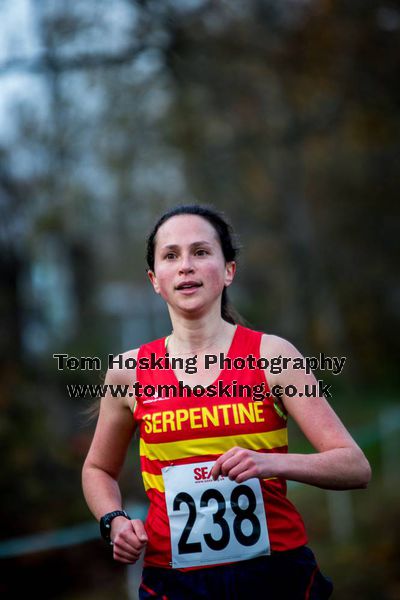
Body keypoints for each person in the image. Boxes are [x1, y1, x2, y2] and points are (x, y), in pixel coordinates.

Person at [82, 204, 371, 599]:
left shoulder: (273, 356)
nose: (186, 266)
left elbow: (355, 466)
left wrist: (270, 462)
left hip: (277, 576)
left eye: (201, 252)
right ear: (154, 279)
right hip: (173, 583)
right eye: (171, 255)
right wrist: (113, 520)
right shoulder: (128, 372)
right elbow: (98, 468)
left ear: (229, 270)